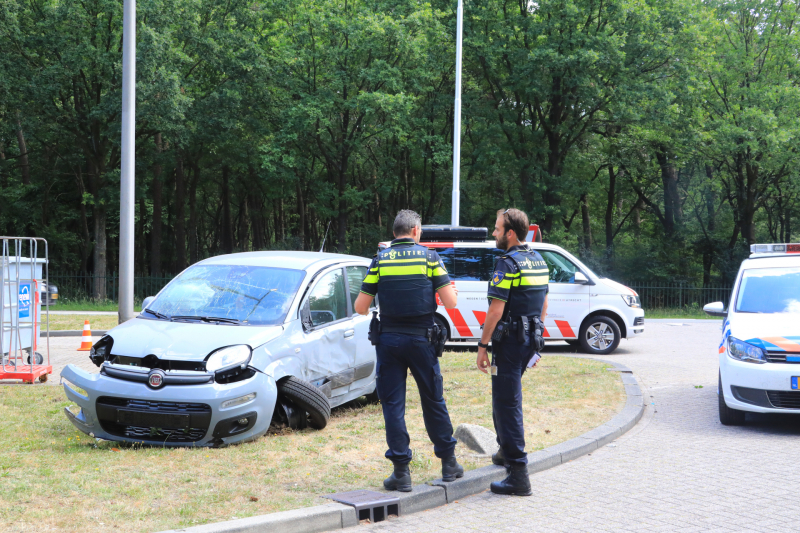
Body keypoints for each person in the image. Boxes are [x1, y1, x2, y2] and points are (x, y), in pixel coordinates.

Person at [354, 210, 463, 492]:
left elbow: (360, 307)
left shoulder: (380, 261)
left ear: (394, 233)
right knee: (433, 400)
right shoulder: (429, 258)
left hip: (389, 342)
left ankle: (401, 473)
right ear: (416, 231)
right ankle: (448, 463)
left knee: (393, 406)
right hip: (422, 341)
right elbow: (451, 303)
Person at [476, 208, 549, 496]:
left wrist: (482, 346)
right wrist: (535, 337)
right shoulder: (538, 260)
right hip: (529, 340)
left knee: (507, 404)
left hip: (509, 344)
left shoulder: (506, 264)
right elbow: (543, 305)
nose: (493, 233)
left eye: (496, 228)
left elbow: (495, 312)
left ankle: (519, 475)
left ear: (510, 233)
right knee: (505, 397)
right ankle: (506, 452)